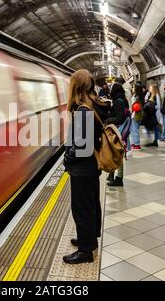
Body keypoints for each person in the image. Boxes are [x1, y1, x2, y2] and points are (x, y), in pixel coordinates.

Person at [63, 69, 109, 264]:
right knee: (91, 204)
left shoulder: (83, 110)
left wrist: (68, 157)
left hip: (82, 167)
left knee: (81, 208)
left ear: (77, 86)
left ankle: (85, 251)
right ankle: (90, 239)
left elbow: (82, 145)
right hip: (91, 165)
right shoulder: (95, 104)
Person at [106, 83, 130, 187]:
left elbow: (120, 117)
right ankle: (112, 175)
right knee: (115, 153)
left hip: (118, 130)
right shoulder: (122, 99)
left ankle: (119, 178)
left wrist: (107, 120)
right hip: (122, 130)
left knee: (117, 153)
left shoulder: (118, 101)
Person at [131, 83, 145, 150]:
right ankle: (134, 143)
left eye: (133, 87)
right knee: (134, 129)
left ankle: (136, 144)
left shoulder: (135, 96)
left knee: (135, 129)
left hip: (135, 114)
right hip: (138, 114)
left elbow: (133, 105)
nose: (132, 88)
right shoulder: (141, 95)